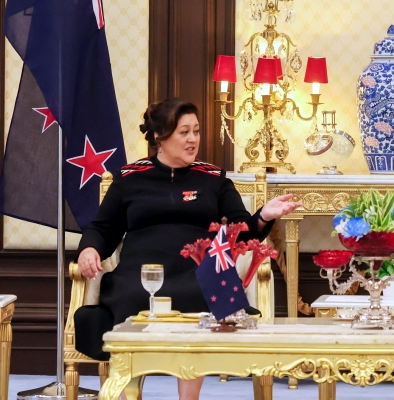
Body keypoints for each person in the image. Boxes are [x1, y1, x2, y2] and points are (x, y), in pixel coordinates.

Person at [73, 98, 302, 400]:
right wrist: (89, 249)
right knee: (129, 297)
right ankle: (130, 394)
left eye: (195, 131)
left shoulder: (213, 178)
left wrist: (263, 217)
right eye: (184, 132)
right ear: (160, 137)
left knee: (200, 294)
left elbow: (241, 233)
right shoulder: (129, 178)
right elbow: (103, 228)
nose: (193, 138)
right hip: (142, 272)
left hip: (197, 270)